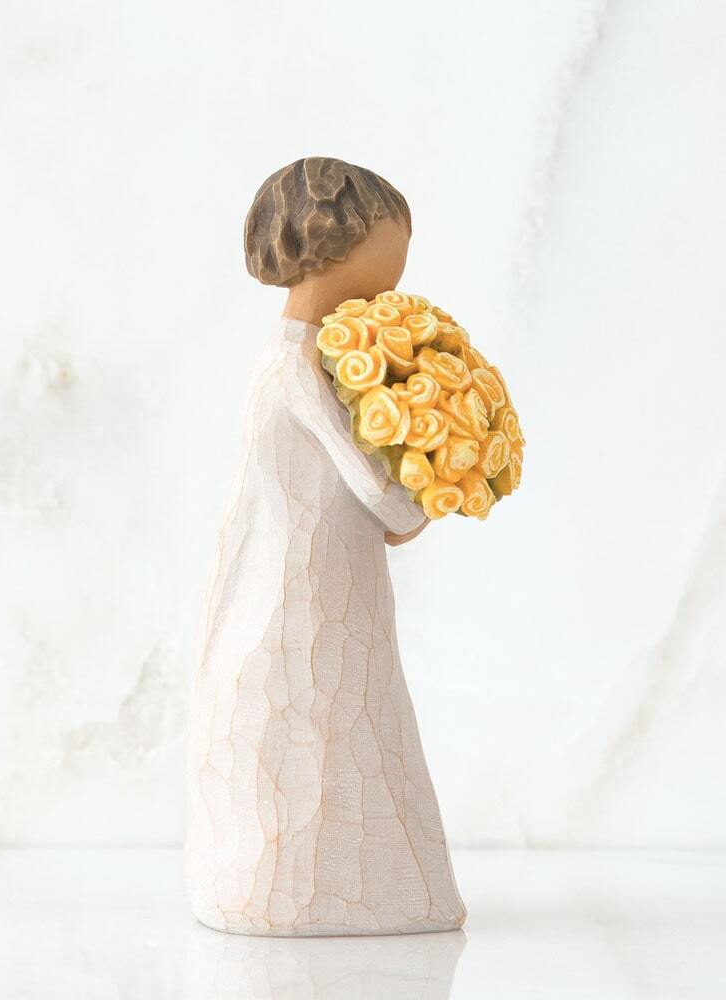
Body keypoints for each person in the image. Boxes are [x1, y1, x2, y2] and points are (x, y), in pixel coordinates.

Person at [185, 157, 465, 936]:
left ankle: (341, 885)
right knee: (323, 725)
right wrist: (442, 475)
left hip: (323, 584)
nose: (393, 282)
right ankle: (319, 890)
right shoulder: (298, 368)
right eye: (385, 260)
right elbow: (382, 495)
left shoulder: (304, 361)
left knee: (342, 726)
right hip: (300, 596)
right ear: (329, 248)